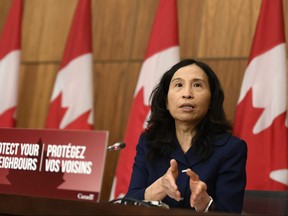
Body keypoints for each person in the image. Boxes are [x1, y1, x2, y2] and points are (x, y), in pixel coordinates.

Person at [124, 59, 247, 213]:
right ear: (166, 102)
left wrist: (205, 203)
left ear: (211, 101)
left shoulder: (230, 149)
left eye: (197, 85)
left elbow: (230, 212)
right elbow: (128, 204)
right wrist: (160, 187)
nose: (187, 94)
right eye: (178, 85)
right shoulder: (148, 142)